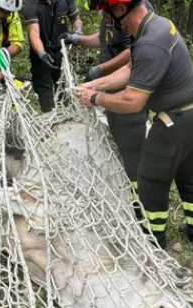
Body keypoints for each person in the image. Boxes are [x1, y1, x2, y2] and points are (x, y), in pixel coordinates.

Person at [76, 0, 193, 253]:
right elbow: (131, 69)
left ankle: (152, 245)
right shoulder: (157, 27)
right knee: (191, 175)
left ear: (120, 10)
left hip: (176, 121)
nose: (110, 24)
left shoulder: (149, 43)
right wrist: (95, 85)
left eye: (108, 16)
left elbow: (132, 101)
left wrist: (95, 99)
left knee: (150, 180)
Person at [61, 0, 150, 219]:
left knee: (131, 146)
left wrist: (100, 71)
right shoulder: (111, 11)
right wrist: (78, 39)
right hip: (108, 85)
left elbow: (132, 52)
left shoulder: (133, 11)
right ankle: (120, 184)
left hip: (125, 87)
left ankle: (140, 203)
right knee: (114, 136)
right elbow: (103, 39)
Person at [22, 0, 82, 112]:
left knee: (66, 92)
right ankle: (49, 123)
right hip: (40, 55)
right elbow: (33, 32)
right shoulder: (31, 3)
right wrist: (42, 53)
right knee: (45, 95)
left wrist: (78, 33)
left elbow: (76, 19)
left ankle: (68, 119)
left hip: (62, 52)